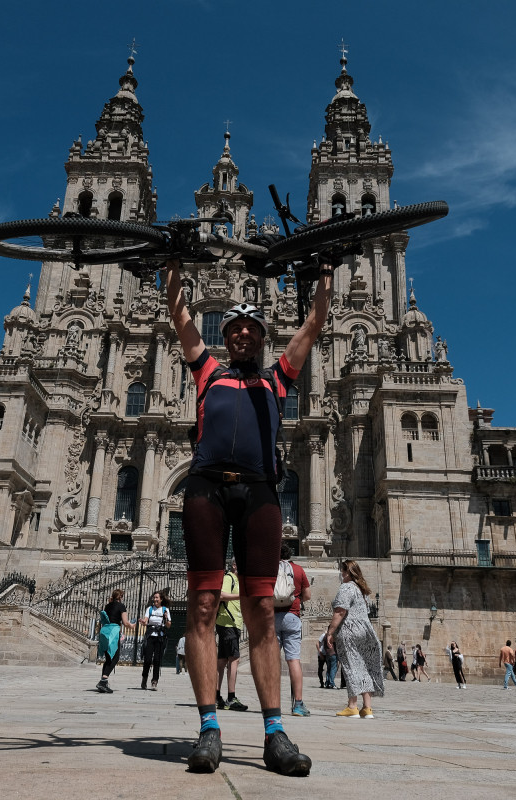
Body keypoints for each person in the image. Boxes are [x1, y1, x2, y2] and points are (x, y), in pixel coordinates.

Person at [165, 256, 332, 777]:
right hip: (204, 490)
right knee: (202, 605)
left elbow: (312, 324)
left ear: (260, 338)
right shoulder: (207, 372)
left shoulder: (278, 380)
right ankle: (209, 727)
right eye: (232, 329)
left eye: (249, 330)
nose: (239, 335)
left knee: (262, 609)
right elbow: (180, 317)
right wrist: (172, 270)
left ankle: (274, 732)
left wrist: (325, 279)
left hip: (260, 494)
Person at [325, 560, 384, 718]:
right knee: (364, 667)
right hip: (365, 631)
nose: (341, 574)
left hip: (350, 630)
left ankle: (352, 706)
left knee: (351, 666)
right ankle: (367, 708)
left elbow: (340, 611)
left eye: (342, 571)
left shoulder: (347, 587)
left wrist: (330, 632)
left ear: (347, 572)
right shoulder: (361, 590)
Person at [273, 543, 312, 716]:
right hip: (292, 615)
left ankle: (272, 704)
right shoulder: (298, 570)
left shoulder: (271, 569)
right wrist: (297, 600)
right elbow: (308, 595)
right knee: (293, 660)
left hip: (273, 617)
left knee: (272, 661)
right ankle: (298, 704)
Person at [215, 560, 249, 713]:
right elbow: (221, 594)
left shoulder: (239, 581)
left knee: (222, 661)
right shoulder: (229, 577)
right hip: (228, 622)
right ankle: (231, 697)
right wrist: (240, 597)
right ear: (235, 565)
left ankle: (215, 696)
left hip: (231, 623)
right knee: (234, 659)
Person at [97, 590, 136, 692]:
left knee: (108, 657)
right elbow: (125, 622)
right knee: (115, 657)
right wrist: (132, 625)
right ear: (121, 597)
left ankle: (103, 682)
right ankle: (103, 681)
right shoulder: (121, 606)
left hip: (104, 631)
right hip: (113, 632)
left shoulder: (107, 606)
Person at [140, 591, 171, 691]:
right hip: (150, 636)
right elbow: (145, 621)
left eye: (157, 598)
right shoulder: (149, 609)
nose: (155, 599)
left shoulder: (165, 610)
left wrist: (166, 619)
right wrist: (143, 622)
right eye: (154, 598)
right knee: (148, 659)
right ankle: (144, 678)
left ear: (161, 599)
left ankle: (154, 681)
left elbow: (169, 625)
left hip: (160, 637)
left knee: (157, 660)